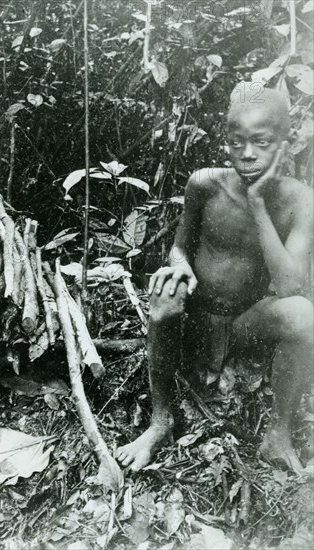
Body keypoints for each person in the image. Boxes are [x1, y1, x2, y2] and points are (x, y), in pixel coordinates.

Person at [116, 83, 313, 473]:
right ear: (226, 141)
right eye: (237, 142)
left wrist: (257, 203)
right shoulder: (205, 183)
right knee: (164, 294)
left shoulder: (299, 200)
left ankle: (278, 433)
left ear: (286, 142)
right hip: (196, 318)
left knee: (303, 314)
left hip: (245, 323)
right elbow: (178, 248)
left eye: (261, 142)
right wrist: (180, 265)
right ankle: (161, 420)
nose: (248, 154)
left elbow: (290, 285)